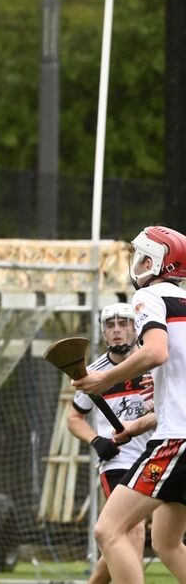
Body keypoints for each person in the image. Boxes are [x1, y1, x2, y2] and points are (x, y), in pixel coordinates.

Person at [73, 225, 186, 584]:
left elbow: (155, 351)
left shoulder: (149, 297)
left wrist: (103, 379)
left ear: (155, 263)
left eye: (141, 256)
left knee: (109, 530)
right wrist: (140, 424)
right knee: (167, 543)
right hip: (177, 437)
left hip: (176, 440)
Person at [66, 303, 154, 584]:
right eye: (110, 325)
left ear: (136, 328)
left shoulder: (153, 364)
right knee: (133, 528)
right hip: (118, 460)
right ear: (103, 332)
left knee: (123, 535)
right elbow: (74, 418)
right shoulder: (92, 373)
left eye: (123, 323)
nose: (117, 330)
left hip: (157, 455)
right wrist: (95, 440)